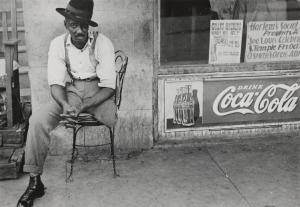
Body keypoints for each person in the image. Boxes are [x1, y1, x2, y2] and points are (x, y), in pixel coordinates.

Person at [17, 0, 117, 206]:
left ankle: (77, 113)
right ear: (66, 24)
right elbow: (55, 84)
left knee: (111, 117)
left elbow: (109, 87)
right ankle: (35, 181)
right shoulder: (57, 44)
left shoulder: (103, 43)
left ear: (89, 25)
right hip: (70, 92)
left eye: (83, 25)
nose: (79, 30)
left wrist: (84, 106)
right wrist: (65, 105)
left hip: (97, 92)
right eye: (74, 24)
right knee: (37, 120)